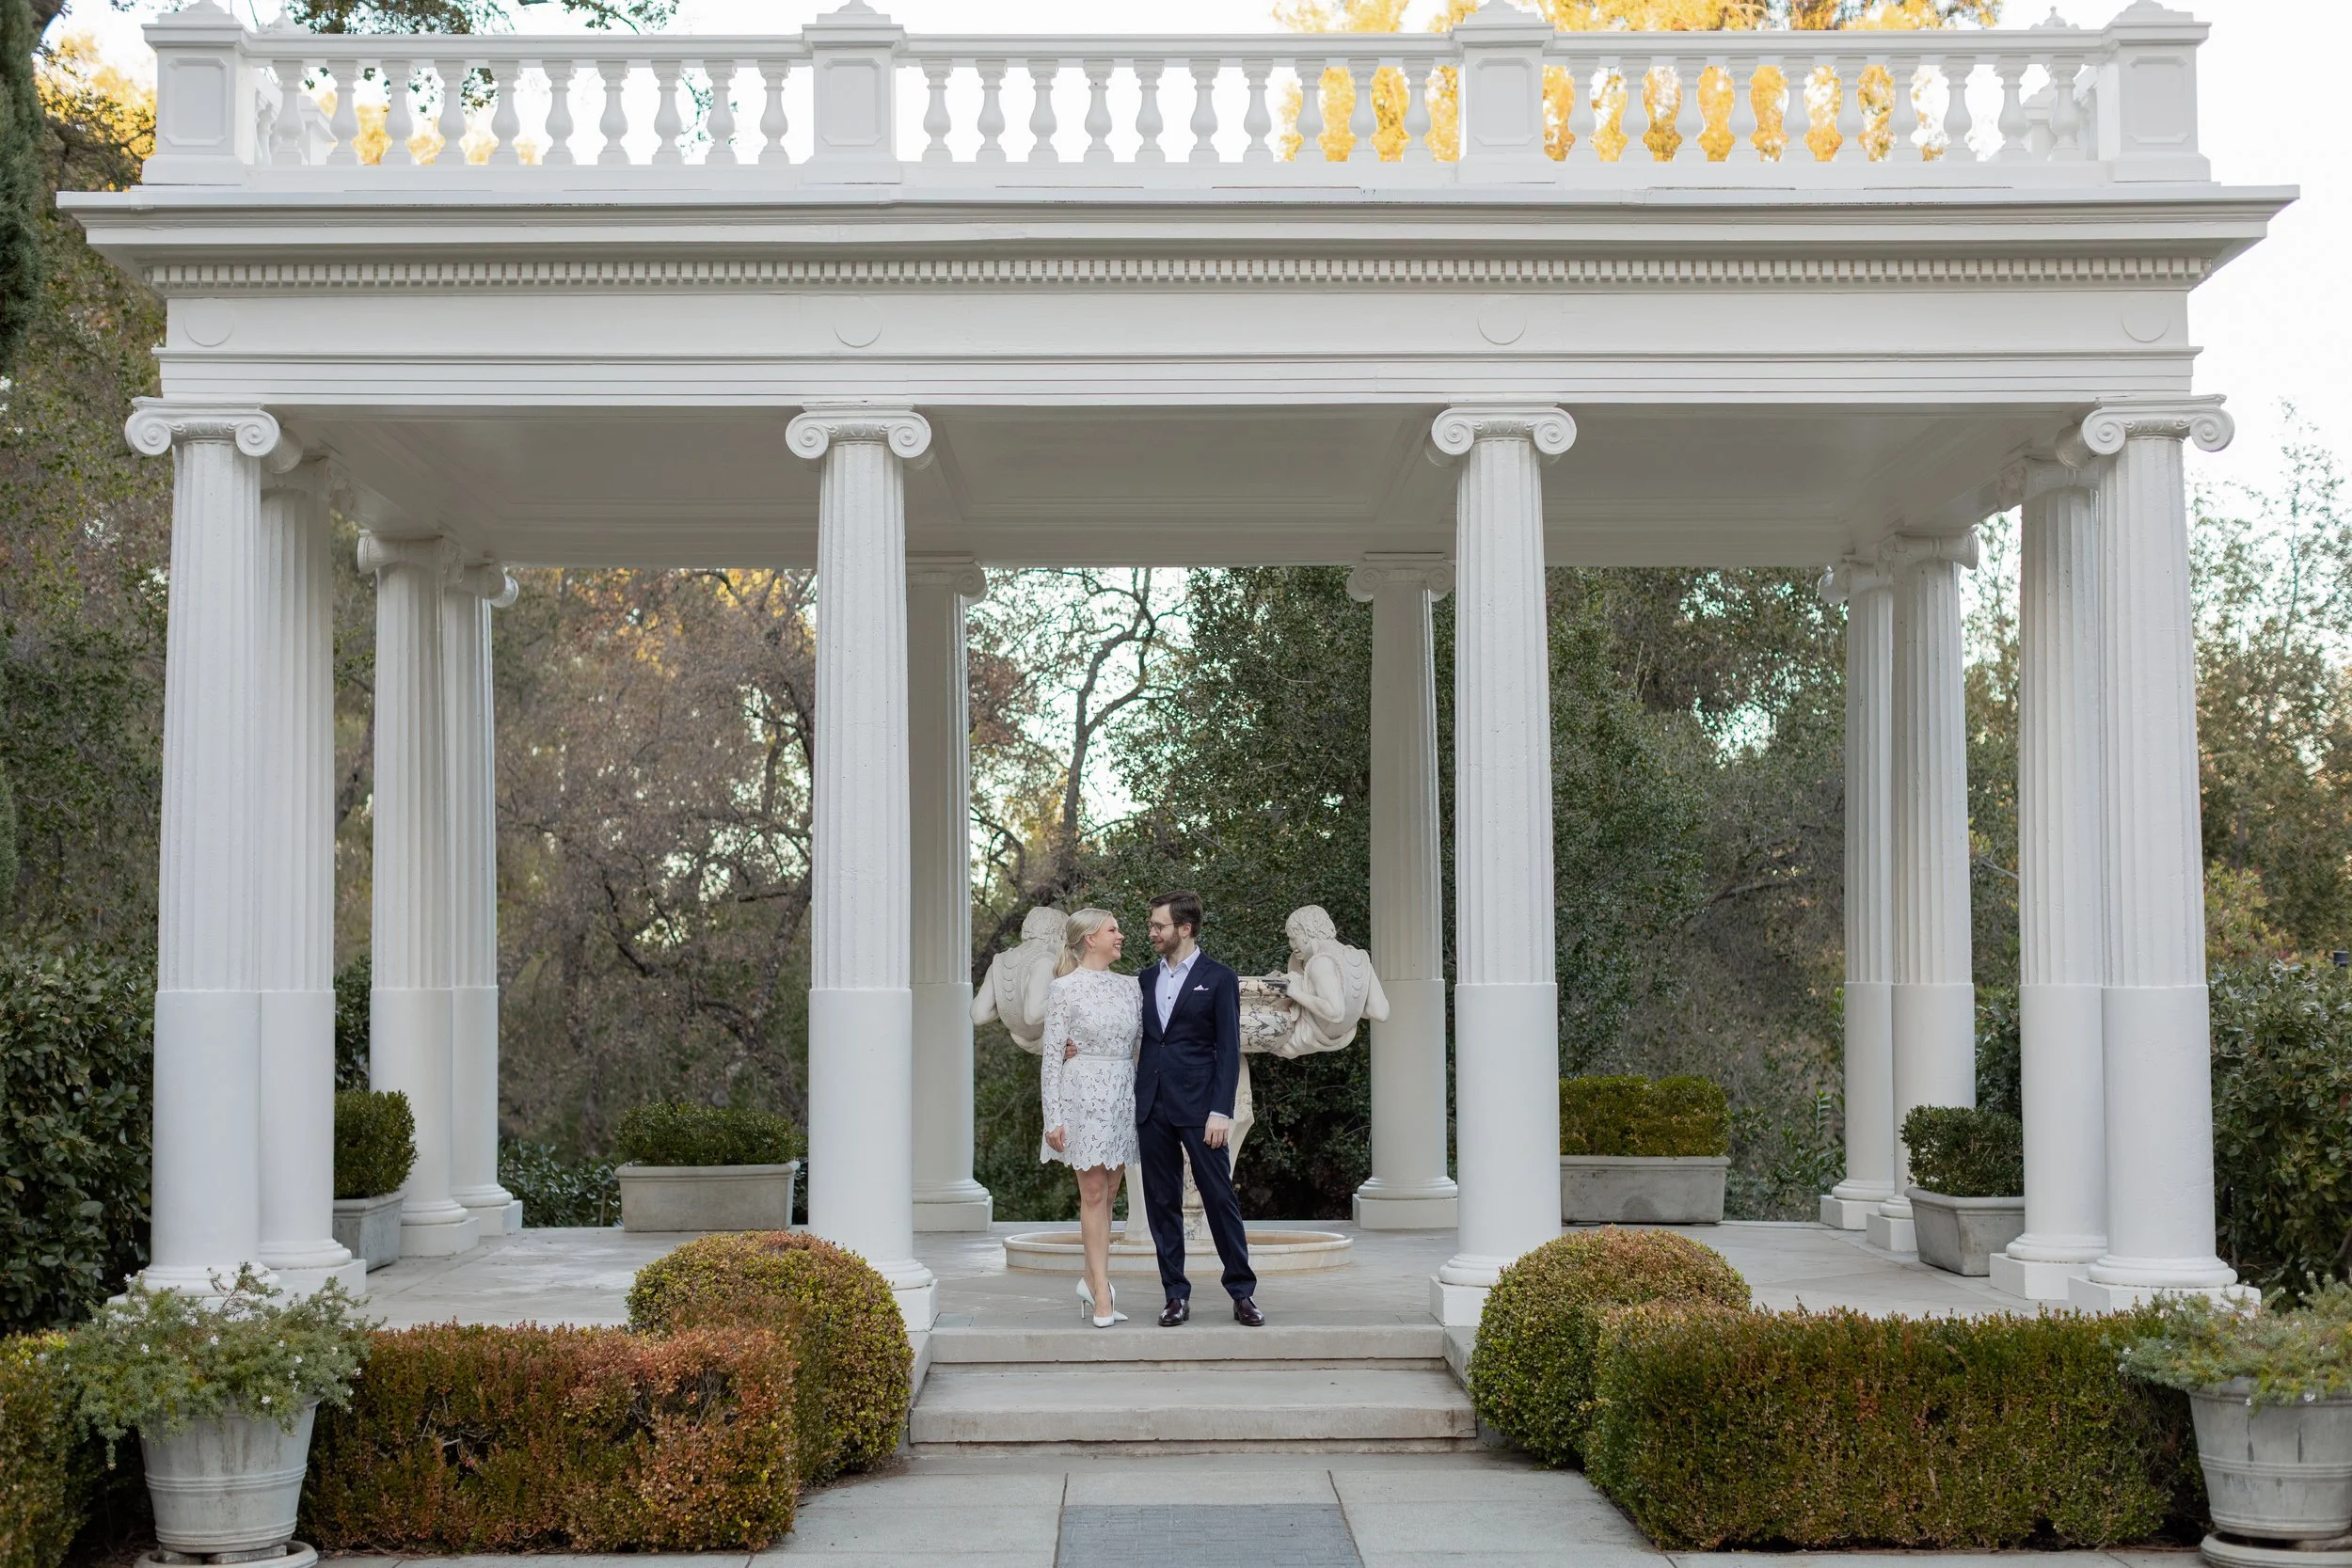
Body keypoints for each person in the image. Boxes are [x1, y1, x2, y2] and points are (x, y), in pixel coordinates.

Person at [1133, 890, 1262, 1327]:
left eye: (1159, 926)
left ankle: (1242, 1293)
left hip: (1202, 1110)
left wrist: (1220, 1111)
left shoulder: (1219, 977)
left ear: (1184, 929)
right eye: (1152, 925)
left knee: (1219, 1198)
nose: (1152, 932)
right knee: (1161, 1202)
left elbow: (1228, 1050)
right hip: (1152, 1107)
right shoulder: (1144, 980)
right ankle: (1175, 1295)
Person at [1039, 907, 1141, 1328]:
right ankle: (1102, 1292)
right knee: (1094, 1192)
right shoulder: (1064, 989)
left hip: (1122, 1094)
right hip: (1080, 1095)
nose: (1121, 935)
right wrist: (1052, 1117)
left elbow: (1140, 1046)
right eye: (1113, 929)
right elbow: (1051, 1057)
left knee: (1111, 1191)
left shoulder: (1132, 987)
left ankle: (1089, 1278)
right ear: (1090, 939)